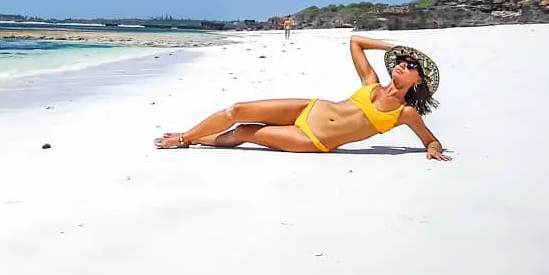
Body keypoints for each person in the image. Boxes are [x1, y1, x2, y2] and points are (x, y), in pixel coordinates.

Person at [154, 35, 450, 160]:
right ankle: (185, 137)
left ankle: (190, 139)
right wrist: (393, 46)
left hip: (313, 139)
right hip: (308, 108)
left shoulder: (405, 113)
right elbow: (355, 42)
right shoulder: (370, 82)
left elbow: (429, 139)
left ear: (418, 80)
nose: (403, 64)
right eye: (402, 60)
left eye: (411, 65)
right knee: (238, 109)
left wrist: (432, 149)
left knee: (245, 132)